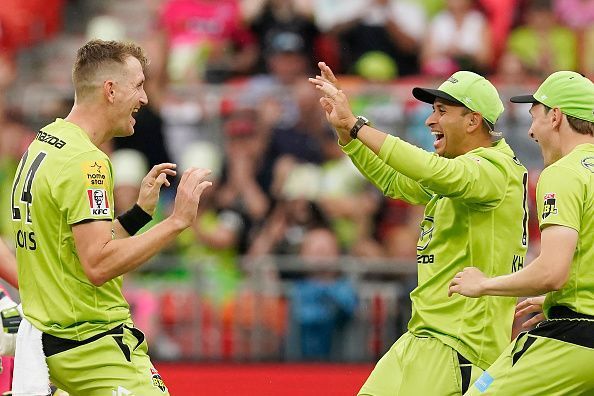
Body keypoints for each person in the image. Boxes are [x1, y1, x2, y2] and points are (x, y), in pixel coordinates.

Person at [309, 62, 528, 395]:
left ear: (472, 121)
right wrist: (345, 134)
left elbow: (427, 169)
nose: (429, 120)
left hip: (460, 345)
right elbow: (395, 181)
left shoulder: (496, 170)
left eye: (441, 111)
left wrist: (357, 126)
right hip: (421, 336)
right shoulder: (458, 172)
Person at [10, 39, 212, 395]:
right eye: (138, 85)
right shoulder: (87, 162)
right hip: (94, 346)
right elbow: (98, 265)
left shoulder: (44, 142)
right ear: (110, 90)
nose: (145, 98)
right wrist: (176, 221)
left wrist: (137, 216)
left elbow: (73, 251)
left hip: (56, 345)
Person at [449, 71, 594, 394]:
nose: (530, 130)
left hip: (573, 339)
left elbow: (552, 272)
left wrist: (484, 284)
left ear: (555, 116)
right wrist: (563, 298)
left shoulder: (563, 173)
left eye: (535, 117)